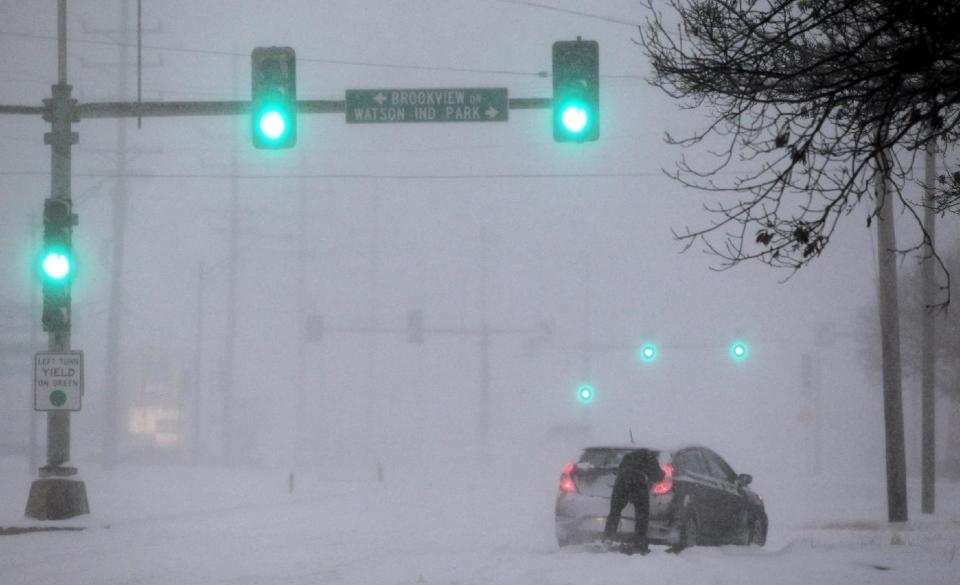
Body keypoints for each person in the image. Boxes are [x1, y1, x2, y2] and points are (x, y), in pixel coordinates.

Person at [602, 449, 665, 554]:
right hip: (638, 483)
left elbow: (619, 470)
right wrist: (662, 474)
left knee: (615, 511)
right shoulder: (651, 457)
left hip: (621, 482)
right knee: (642, 514)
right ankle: (639, 542)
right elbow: (658, 476)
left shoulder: (628, 456)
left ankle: (608, 538)